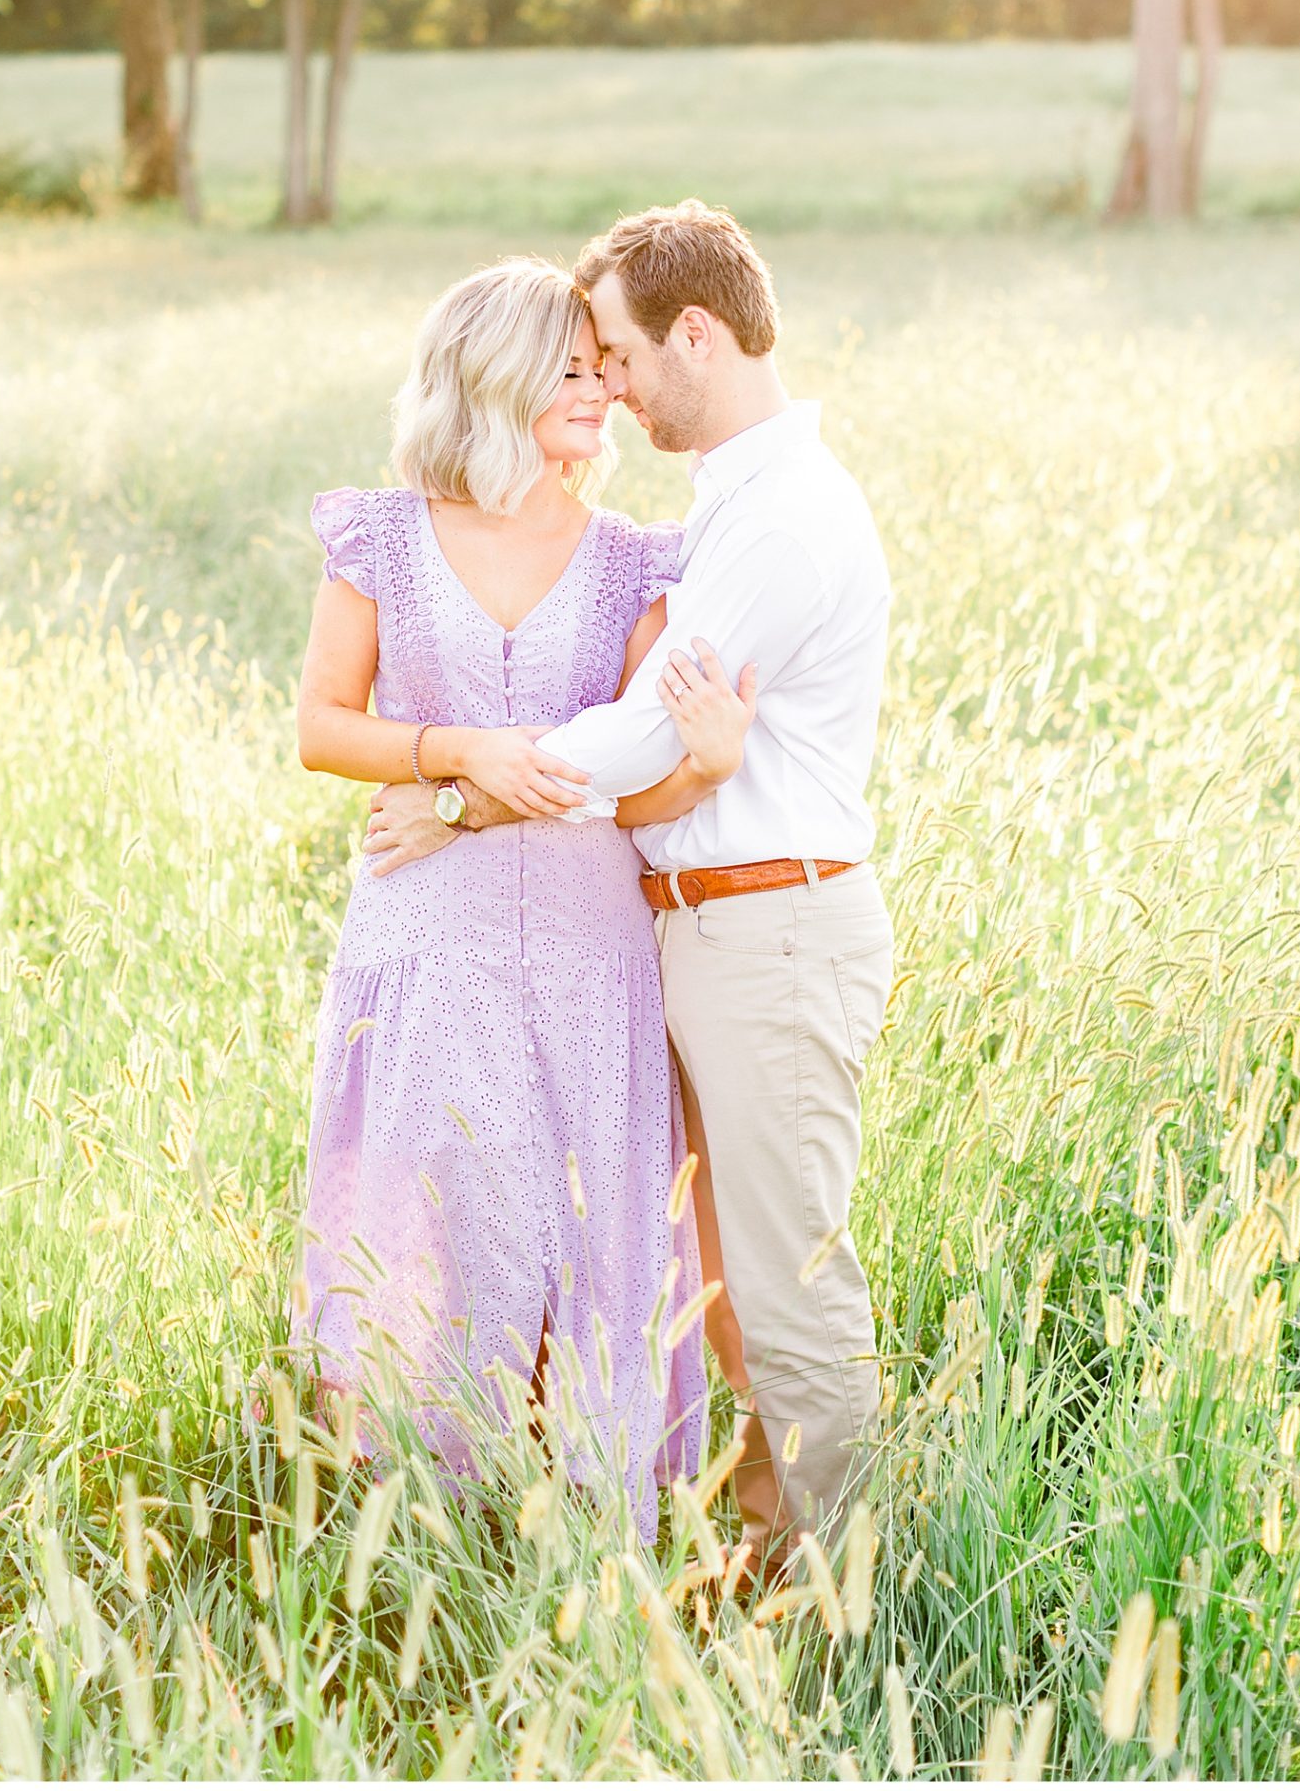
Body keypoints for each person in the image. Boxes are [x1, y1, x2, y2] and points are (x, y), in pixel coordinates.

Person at [366, 201, 894, 1578]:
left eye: (615, 350)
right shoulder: (734, 502)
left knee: (785, 1286)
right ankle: (766, 1552)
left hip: (771, 923)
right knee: (725, 1277)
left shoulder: (783, 516)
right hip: (712, 924)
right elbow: (667, 748)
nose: (603, 378)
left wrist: (464, 792)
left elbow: (652, 736)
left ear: (697, 335)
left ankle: (849, 1593)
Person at [291, 254, 758, 1543]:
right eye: (574, 370)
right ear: (492, 378)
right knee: (424, 1211)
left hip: (585, 945)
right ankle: (405, 1523)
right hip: (421, 941)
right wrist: (451, 754)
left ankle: (579, 1521)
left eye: (605, 371)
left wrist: (703, 763)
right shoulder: (383, 536)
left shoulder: (630, 564)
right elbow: (323, 726)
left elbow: (646, 786)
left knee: (582, 1220)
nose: (603, 393)